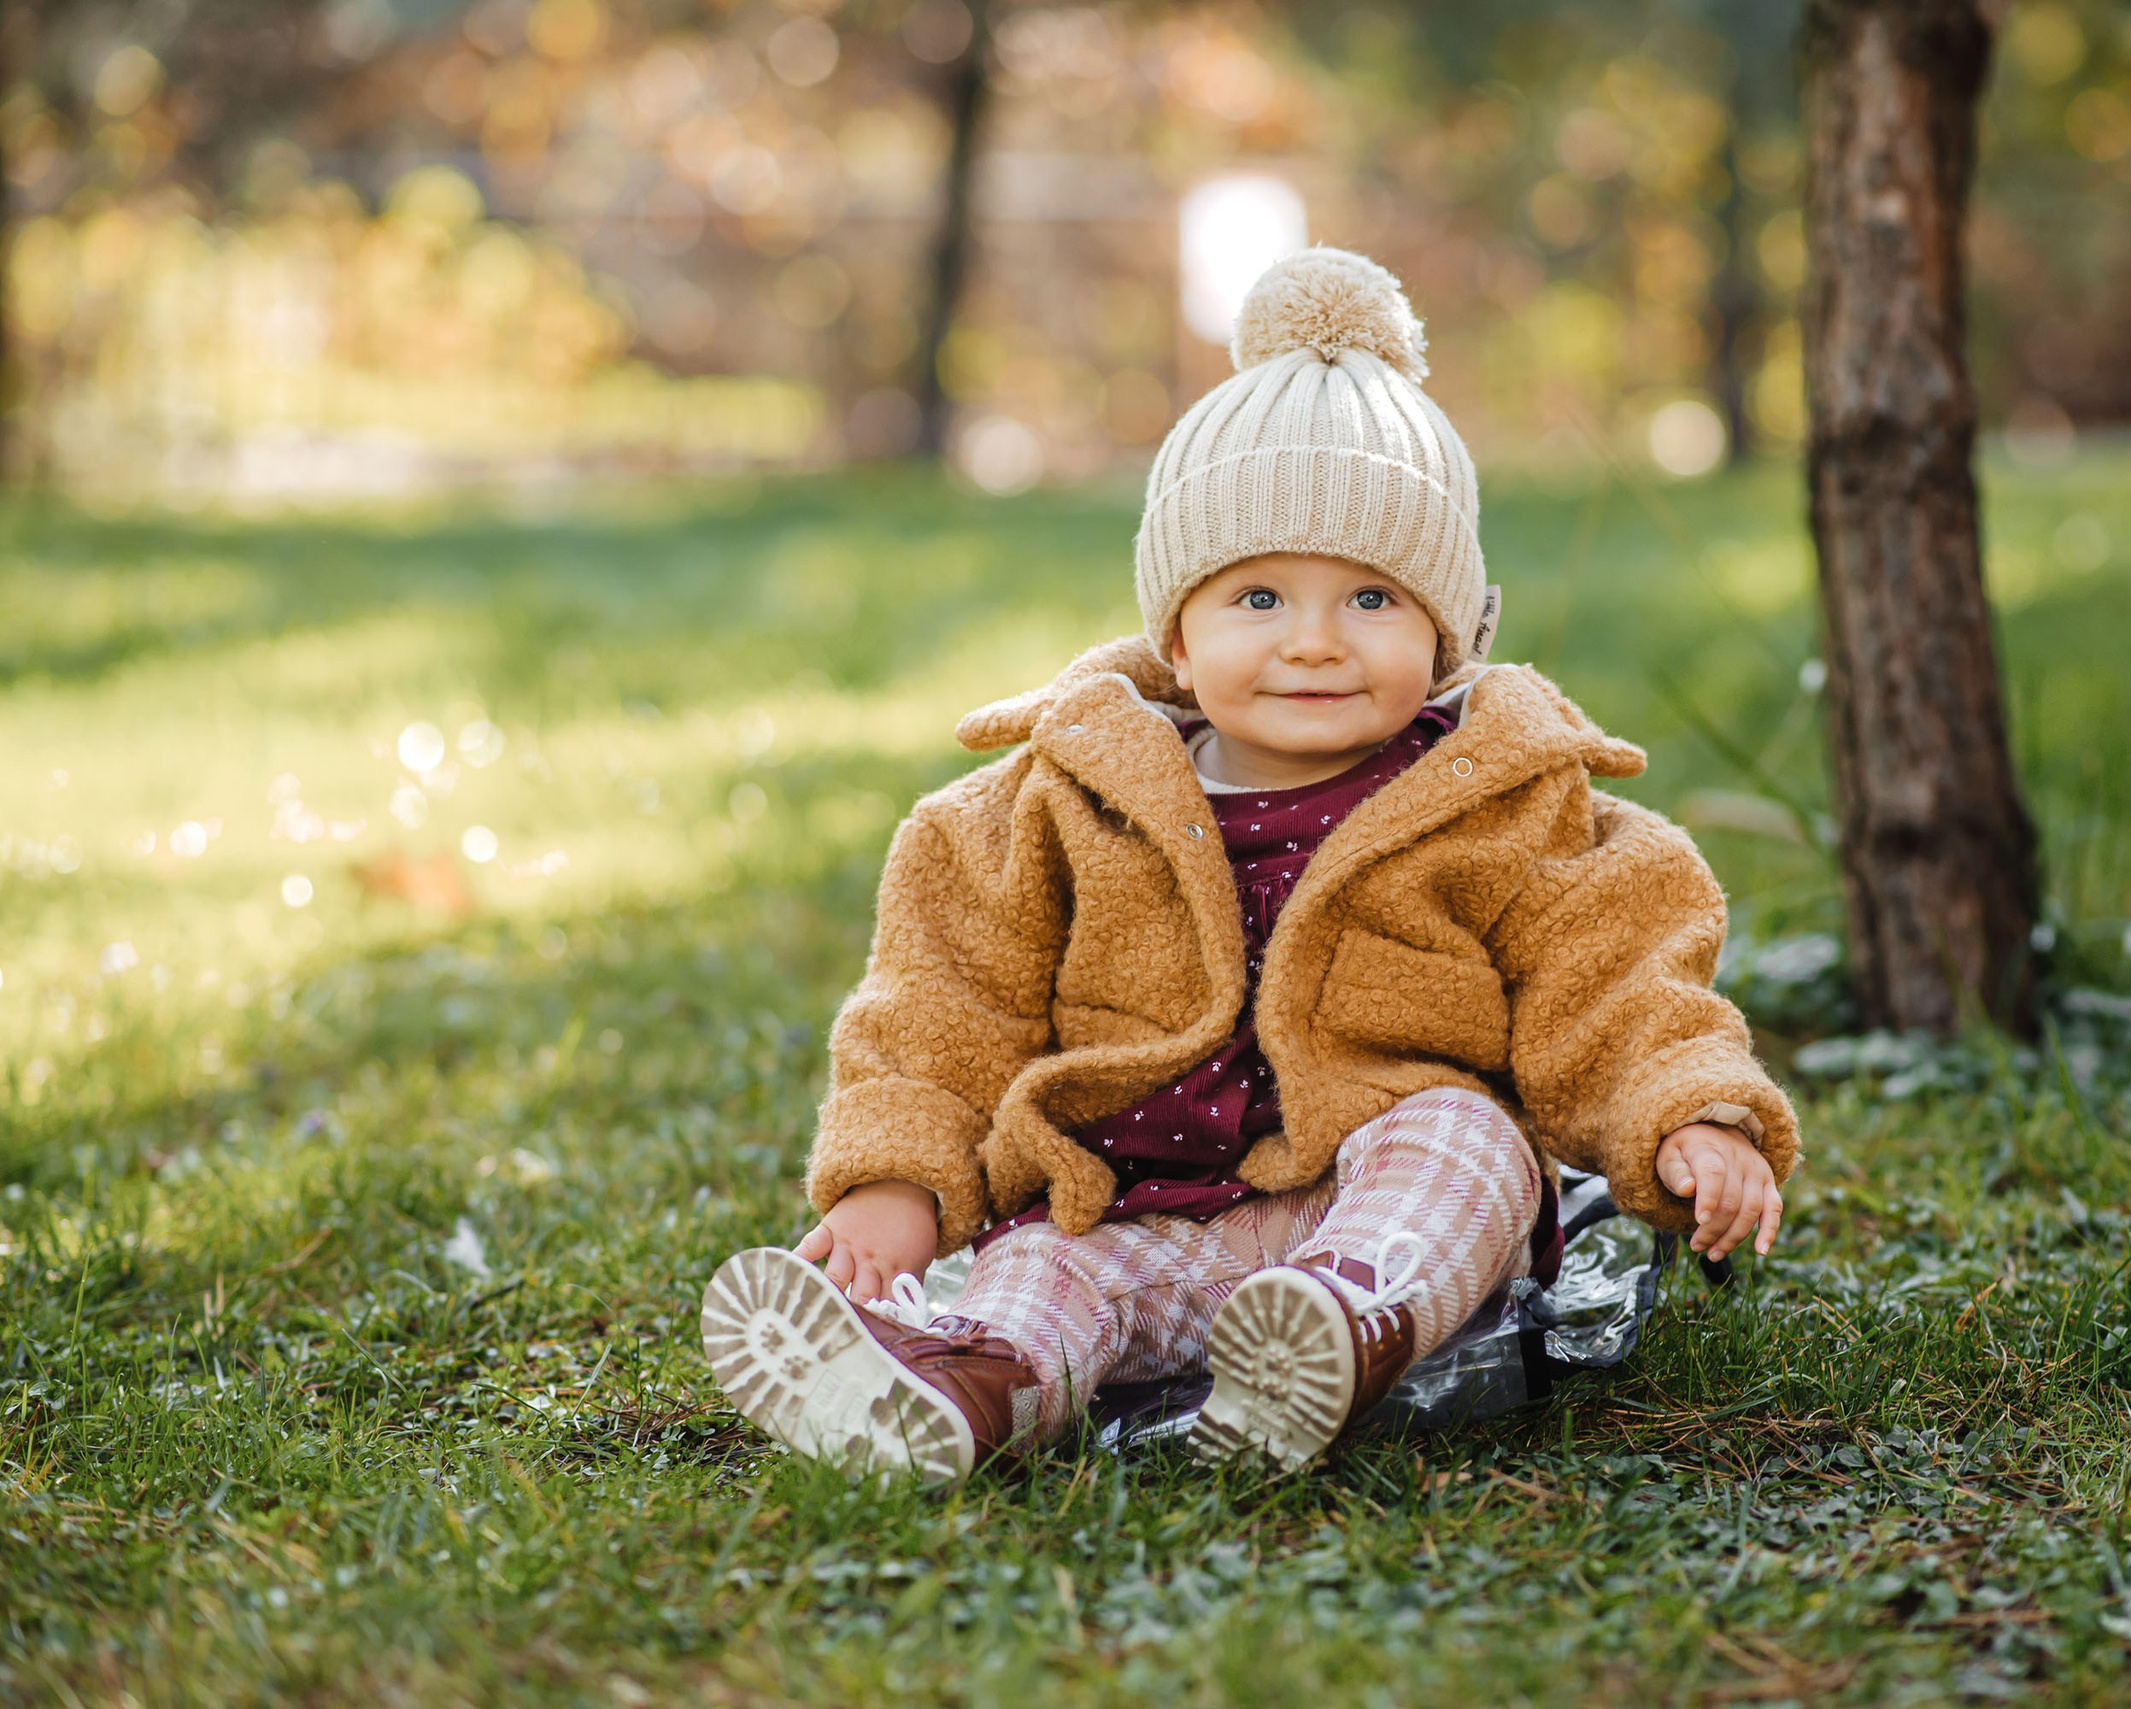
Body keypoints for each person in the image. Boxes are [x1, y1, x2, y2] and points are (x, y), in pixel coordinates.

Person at [701, 247, 1799, 1484]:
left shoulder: (1502, 797)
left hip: (1382, 1203)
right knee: (1043, 1264)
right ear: (1179, 629)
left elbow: (1615, 978)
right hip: (1135, 1207)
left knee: (1462, 1137)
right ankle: (960, 1390)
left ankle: (1338, 1328)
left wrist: (1688, 1110)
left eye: (1374, 599)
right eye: (1261, 598)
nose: (1317, 643)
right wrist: (895, 1180)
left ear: (1449, 631)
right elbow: (944, 1006)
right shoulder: (1052, 804)